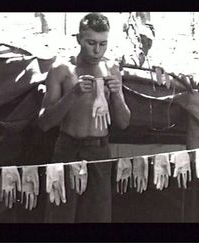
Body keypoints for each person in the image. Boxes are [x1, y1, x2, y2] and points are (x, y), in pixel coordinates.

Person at [38, 12, 131, 223]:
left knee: (98, 217)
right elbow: (44, 122)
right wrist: (73, 94)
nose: (97, 50)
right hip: (67, 148)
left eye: (103, 44)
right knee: (60, 216)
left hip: (99, 150)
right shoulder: (62, 70)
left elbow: (124, 123)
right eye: (91, 43)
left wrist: (116, 94)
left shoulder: (111, 69)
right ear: (79, 39)